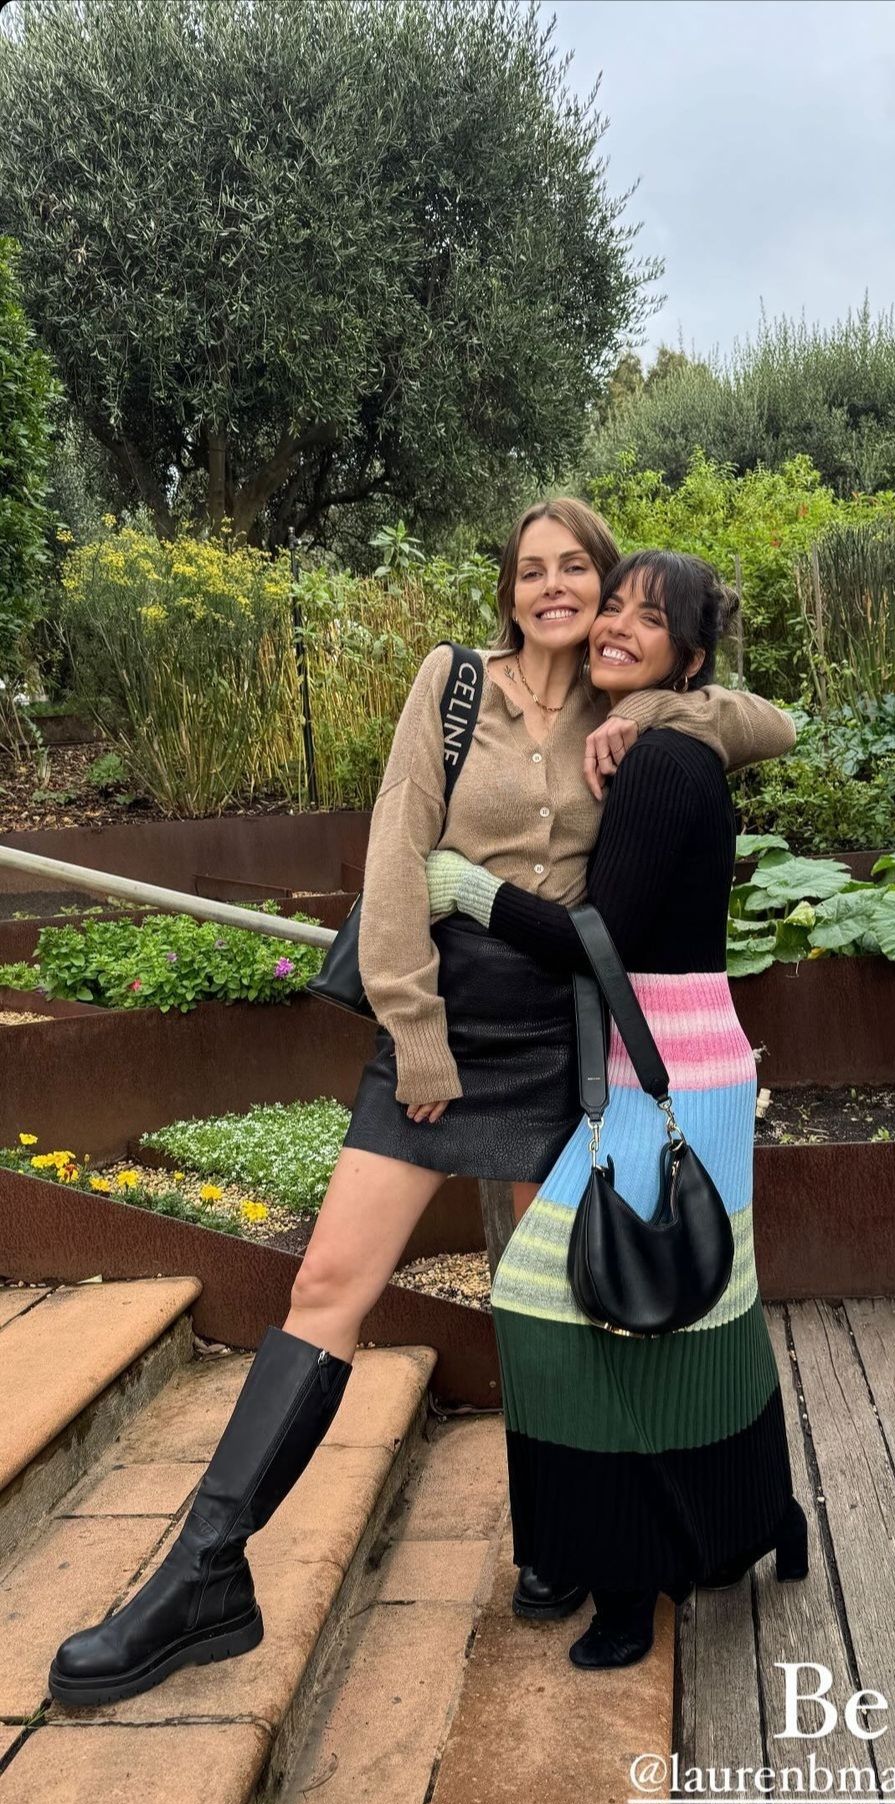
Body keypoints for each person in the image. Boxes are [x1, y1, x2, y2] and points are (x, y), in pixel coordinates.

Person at [48, 502, 797, 1707]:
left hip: (564, 1042)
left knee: (555, 1302)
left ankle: (560, 1540)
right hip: (444, 1029)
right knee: (328, 1285)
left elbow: (766, 722)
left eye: (581, 571)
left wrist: (662, 709)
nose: (558, 589)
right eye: (533, 570)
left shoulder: (622, 698)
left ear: (610, 592)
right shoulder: (455, 686)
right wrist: (414, 1033)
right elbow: (399, 857)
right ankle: (202, 1575)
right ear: (508, 589)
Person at [425, 549, 808, 1670]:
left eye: (650, 616)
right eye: (616, 607)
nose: (617, 625)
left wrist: (471, 890)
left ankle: (632, 1588)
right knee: (706, 1306)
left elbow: (599, 943)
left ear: (687, 657)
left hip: (659, 1066)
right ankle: (763, 1516)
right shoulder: (673, 742)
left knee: (573, 1312)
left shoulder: (656, 766)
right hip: (700, 1052)